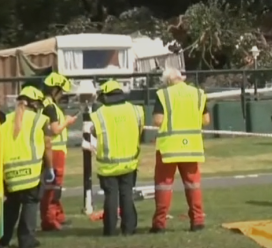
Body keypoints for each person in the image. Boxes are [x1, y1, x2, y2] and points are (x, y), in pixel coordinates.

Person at [151, 68, 209, 233]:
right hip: (191, 147)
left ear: (168, 81)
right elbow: (206, 120)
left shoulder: (163, 94)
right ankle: (198, 221)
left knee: (163, 186)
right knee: (193, 185)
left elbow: (158, 120)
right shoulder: (198, 93)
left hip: (169, 148)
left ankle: (159, 224)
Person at [0, 86, 54, 248]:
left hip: (9, 174)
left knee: (11, 207)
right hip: (32, 173)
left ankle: (2, 239)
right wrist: (50, 168)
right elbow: (48, 144)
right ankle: (26, 239)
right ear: (35, 104)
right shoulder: (39, 119)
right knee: (30, 204)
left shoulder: (5, 121)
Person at [89, 80, 144, 236]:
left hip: (108, 164)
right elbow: (140, 131)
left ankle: (110, 230)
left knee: (110, 197)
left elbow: (94, 133)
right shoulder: (136, 110)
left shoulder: (100, 114)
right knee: (127, 194)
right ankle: (129, 229)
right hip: (129, 162)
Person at [40, 72, 76, 231]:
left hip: (56, 151)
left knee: (55, 187)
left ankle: (57, 216)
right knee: (52, 187)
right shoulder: (50, 106)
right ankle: (49, 220)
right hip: (54, 151)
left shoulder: (46, 104)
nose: (62, 96)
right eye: (61, 92)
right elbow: (55, 130)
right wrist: (67, 122)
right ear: (55, 90)